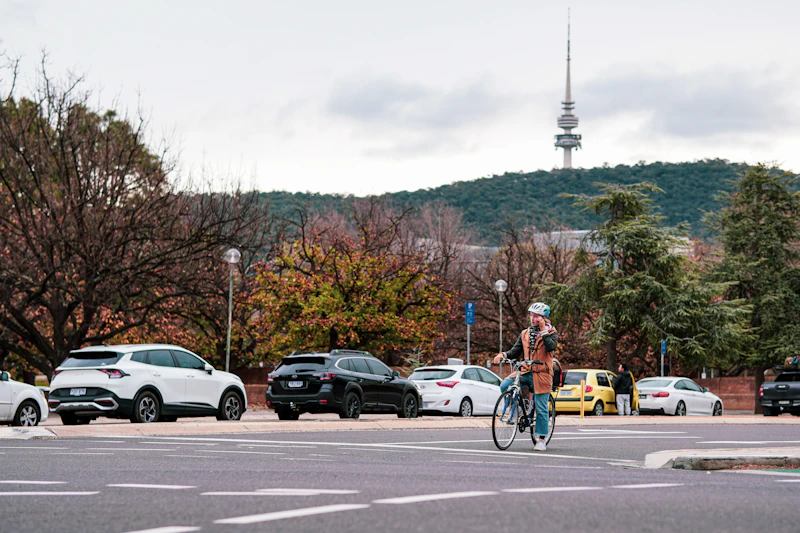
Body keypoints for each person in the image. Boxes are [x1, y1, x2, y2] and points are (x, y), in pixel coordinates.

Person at [493, 302, 558, 451]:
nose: (532, 318)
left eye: (536, 316)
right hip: (526, 370)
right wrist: (503, 354)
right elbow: (515, 351)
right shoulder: (525, 333)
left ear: (543, 318)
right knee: (505, 385)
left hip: (542, 373)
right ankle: (517, 411)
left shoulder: (552, 332)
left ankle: (541, 438)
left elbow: (550, 347)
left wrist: (543, 330)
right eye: (531, 315)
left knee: (541, 407)